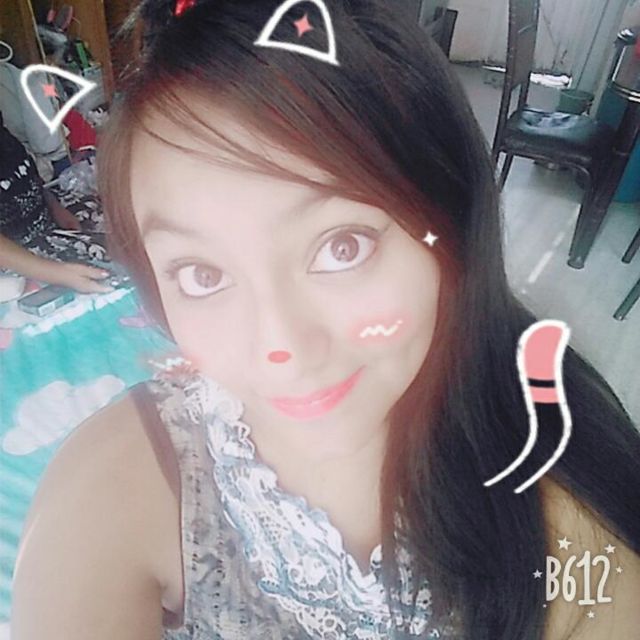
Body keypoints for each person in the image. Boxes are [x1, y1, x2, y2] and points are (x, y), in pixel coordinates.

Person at [10, 1, 640, 639]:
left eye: (342, 246)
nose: (281, 346)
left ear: (451, 222)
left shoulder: (574, 509)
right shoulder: (119, 482)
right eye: (202, 275)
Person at [0, 110, 112, 293]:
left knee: (121, 225)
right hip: (17, 258)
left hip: (46, 222)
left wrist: (53, 206)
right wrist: (56, 273)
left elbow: (22, 177)